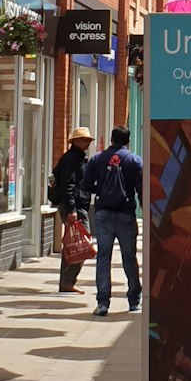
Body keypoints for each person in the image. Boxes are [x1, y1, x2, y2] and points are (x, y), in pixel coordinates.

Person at [82, 125, 143, 316]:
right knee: (129, 258)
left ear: (111, 139)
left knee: (103, 257)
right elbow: (142, 190)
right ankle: (133, 299)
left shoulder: (97, 159)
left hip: (102, 214)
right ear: (128, 141)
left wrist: (101, 190)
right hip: (126, 214)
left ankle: (103, 302)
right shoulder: (135, 160)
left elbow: (85, 185)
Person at [53, 126, 93, 293]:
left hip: (77, 205)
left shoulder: (79, 158)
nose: (87, 142)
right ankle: (68, 280)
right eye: (84, 139)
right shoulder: (71, 159)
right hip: (74, 206)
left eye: (89, 140)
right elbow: (68, 185)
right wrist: (71, 210)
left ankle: (66, 281)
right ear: (75, 141)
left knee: (72, 243)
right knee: (83, 245)